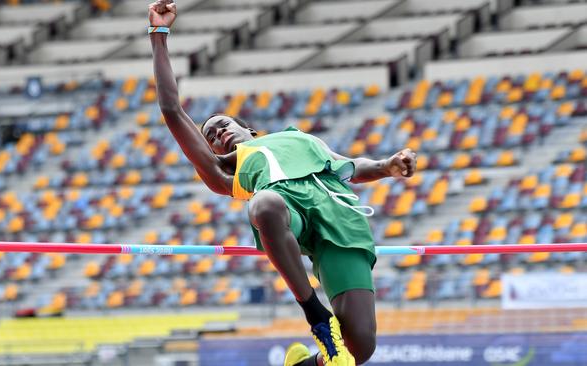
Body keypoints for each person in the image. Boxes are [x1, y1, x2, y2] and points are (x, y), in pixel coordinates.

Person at [148, 2, 417, 365]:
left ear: (249, 129)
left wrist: (388, 165)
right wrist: (159, 36)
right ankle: (316, 317)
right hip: (286, 210)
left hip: (339, 215)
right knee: (263, 205)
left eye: (224, 124)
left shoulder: (297, 139)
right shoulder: (226, 169)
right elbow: (171, 110)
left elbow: (348, 166)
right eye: (210, 135)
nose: (218, 133)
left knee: (361, 347)